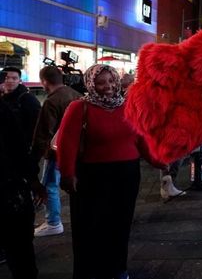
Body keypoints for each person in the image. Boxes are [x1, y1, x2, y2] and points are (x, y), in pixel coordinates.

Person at [57, 64, 167, 279]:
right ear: (91, 84)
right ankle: (90, 271)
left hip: (127, 174)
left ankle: (118, 268)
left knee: (120, 224)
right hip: (93, 176)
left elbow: (140, 138)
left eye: (111, 81)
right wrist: (67, 174)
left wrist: (157, 161)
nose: (107, 86)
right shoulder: (79, 107)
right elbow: (66, 143)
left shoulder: (127, 106)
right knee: (91, 227)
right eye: (100, 82)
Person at [30, 65, 82, 237]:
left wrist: (34, 159)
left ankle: (53, 221)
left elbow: (43, 133)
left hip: (55, 152)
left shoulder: (51, 102)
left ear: (44, 82)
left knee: (50, 185)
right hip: (76, 150)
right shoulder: (75, 95)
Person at [0, 98, 44, 278]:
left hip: (9, 189)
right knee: (20, 253)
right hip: (9, 190)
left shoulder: (3, 108)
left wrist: (32, 179)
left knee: (20, 252)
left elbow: (16, 145)